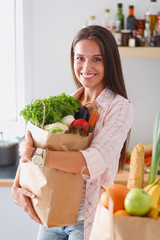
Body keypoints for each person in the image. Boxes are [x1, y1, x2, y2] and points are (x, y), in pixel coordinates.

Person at [11, 25, 134, 240]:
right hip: (50, 213)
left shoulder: (120, 107)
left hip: (87, 220)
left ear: (110, 62)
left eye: (97, 59)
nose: (86, 66)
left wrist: (35, 155)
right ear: (73, 60)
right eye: (80, 58)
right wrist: (16, 188)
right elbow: (34, 145)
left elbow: (93, 161)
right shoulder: (67, 102)